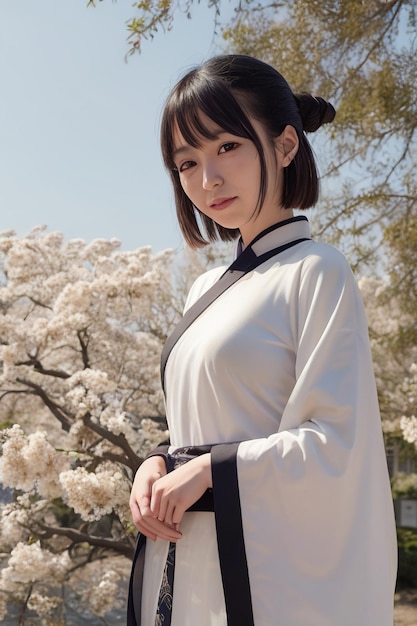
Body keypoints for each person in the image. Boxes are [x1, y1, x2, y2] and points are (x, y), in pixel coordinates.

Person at [128, 54, 397, 626]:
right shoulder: (204, 286)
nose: (208, 179)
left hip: (265, 577)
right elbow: (204, 418)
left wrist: (209, 471)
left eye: (228, 146)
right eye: (187, 162)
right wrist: (156, 461)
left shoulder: (317, 271)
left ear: (284, 147)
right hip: (187, 559)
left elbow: (333, 442)